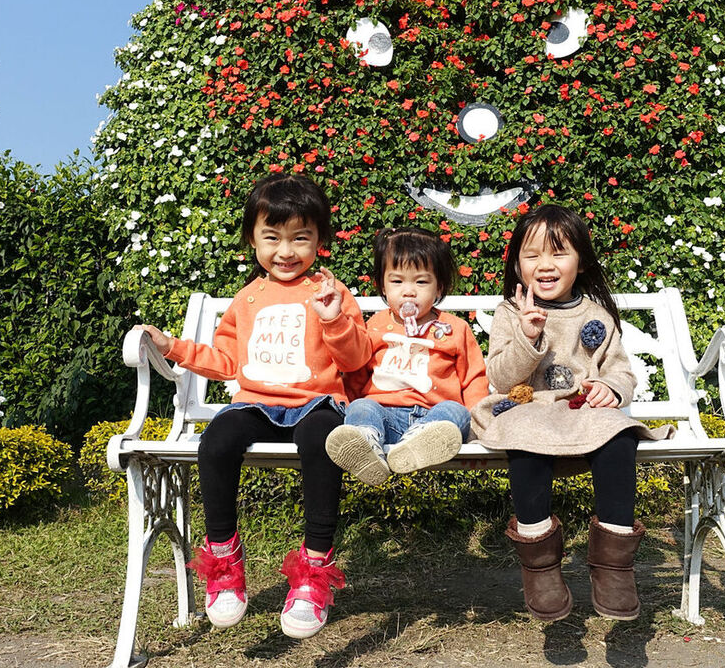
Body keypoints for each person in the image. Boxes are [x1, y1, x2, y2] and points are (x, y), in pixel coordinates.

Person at [134, 173, 369, 639]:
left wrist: (334, 319)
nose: (286, 251)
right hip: (257, 405)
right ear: (252, 241)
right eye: (272, 237)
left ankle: (314, 571)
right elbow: (225, 361)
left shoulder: (331, 292)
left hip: (315, 403)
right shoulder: (247, 299)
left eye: (300, 238)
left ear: (319, 240)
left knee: (324, 441)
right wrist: (173, 347)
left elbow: (356, 359)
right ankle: (223, 559)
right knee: (218, 439)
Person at [470, 205, 672, 622]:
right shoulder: (511, 312)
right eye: (532, 255)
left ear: (580, 261)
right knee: (521, 435)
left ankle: (614, 565)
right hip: (529, 406)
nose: (545, 265)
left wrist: (610, 387)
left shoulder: (595, 314)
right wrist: (528, 335)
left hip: (582, 410)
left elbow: (619, 368)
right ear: (517, 263)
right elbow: (502, 377)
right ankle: (539, 564)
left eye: (558, 253)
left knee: (620, 433)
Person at [326, 227, 488, 485]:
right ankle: (366, 443)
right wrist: (351, 407)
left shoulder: (454, 328)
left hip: (433, 419)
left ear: (439, 287)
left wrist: (479, 422)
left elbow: (473, 378)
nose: (409, 291)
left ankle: (416, 444)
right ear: (382, 285)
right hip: (384, 416)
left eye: (421, 282)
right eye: (397, 281)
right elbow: (357, 375)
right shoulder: (374, 325)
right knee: (362, 407)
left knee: (455, 410)